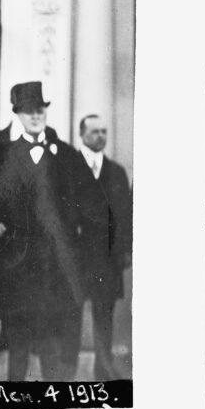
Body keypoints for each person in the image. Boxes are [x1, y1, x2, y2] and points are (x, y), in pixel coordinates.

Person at [0, 81, 84, 381]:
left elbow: (78, 198)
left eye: (40, 111)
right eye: (28, 112)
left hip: (52, 265)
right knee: (19, 343)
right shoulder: (6, 154)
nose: (35, 117)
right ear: (18, 116)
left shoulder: (63, 154)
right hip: (17, 263)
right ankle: (16, 400)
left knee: (50, 342)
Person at [75, 114, 133, 379]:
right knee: (70, 315)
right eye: (95, 132)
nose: (101, 136)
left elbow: (126, 216)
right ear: (82, 135)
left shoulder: (117, 173)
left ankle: (103, 370)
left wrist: (124, 251)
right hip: (74, 256)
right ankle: (66, 373)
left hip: (106, 258)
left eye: (104, 132)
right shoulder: (67, 166)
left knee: (104, 316)